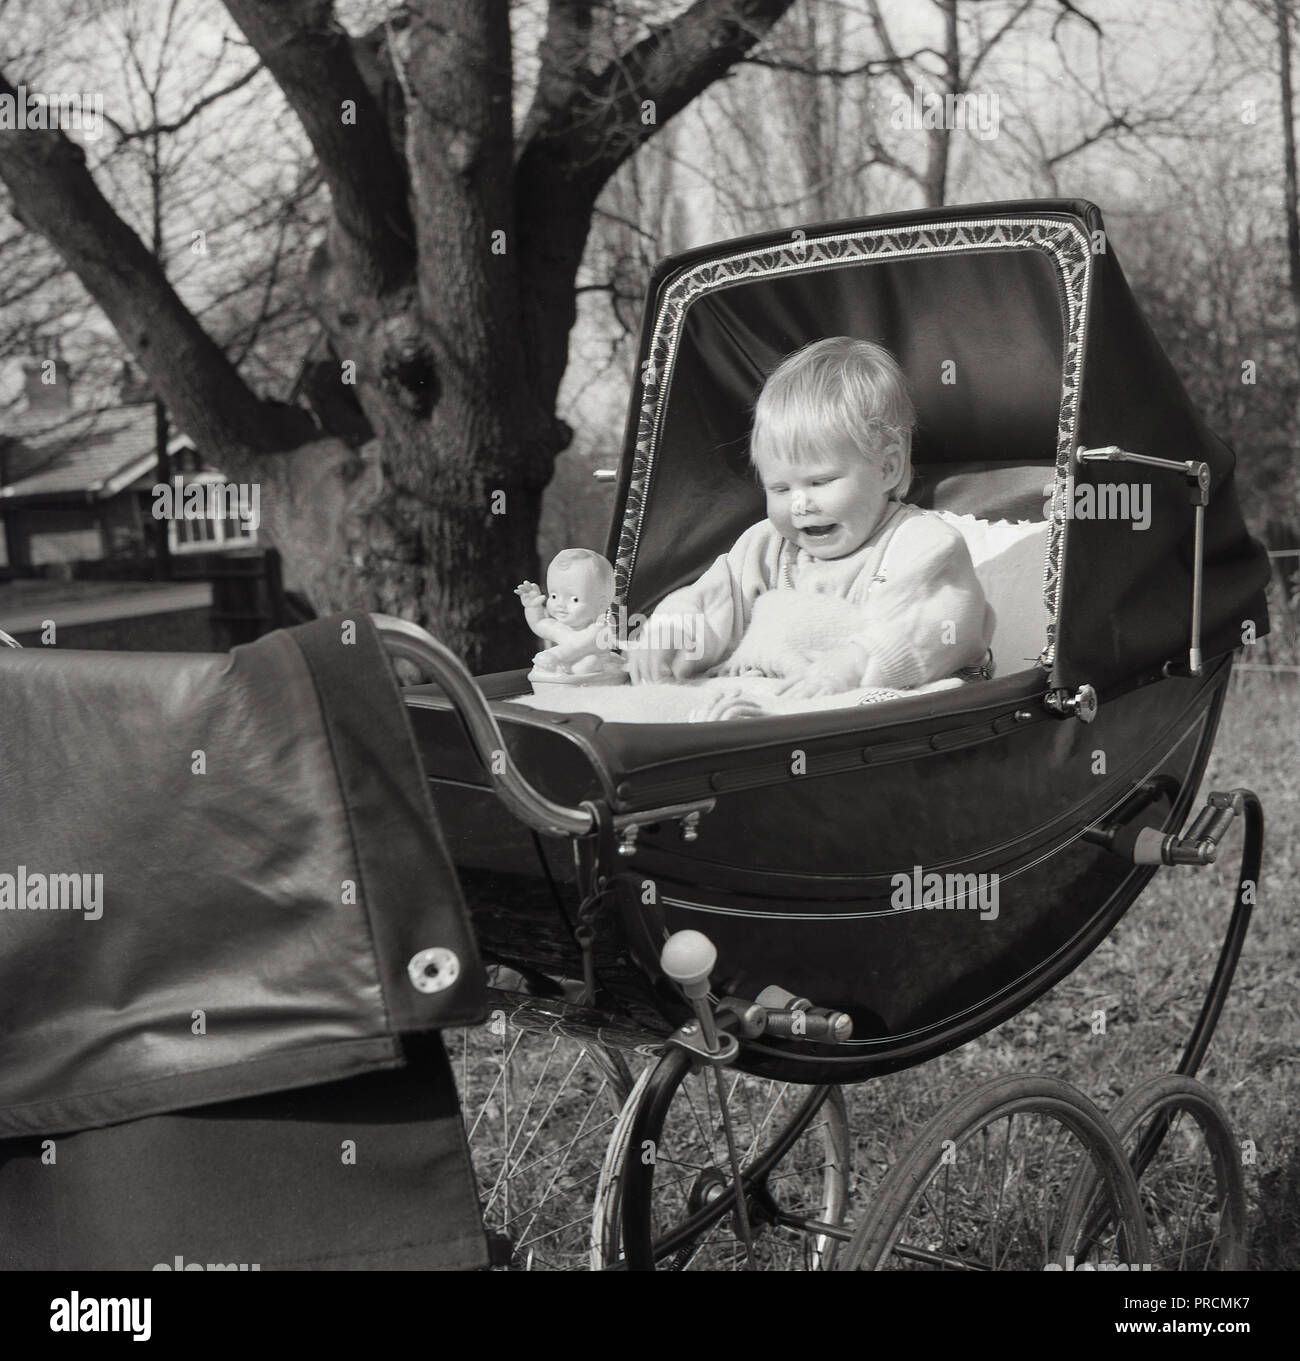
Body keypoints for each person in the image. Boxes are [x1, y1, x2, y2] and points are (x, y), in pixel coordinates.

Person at [626, 337, 991, 699]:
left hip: (879, 704)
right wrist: (674, 628)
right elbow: (713, 603)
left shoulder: (922, 545)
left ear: (887, 468)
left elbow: (939, 624)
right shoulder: (765, 546)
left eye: (821, 481)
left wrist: (855, 661)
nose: (799, 504)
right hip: (773, 701)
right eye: (780, 489)